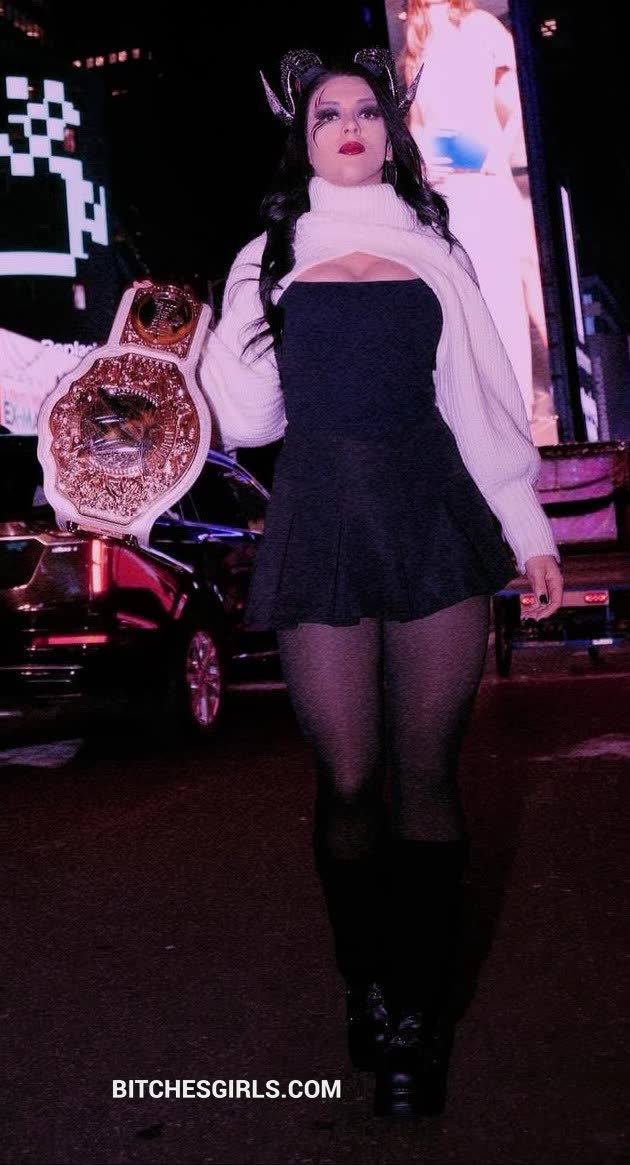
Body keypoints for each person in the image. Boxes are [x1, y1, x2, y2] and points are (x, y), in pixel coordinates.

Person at [199, 47, 563, 1119]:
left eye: (365, 110)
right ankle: (365, 975)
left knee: (426, 777)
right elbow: (250, 420)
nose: (349, 125)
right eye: (327, 115)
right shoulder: (268, 255)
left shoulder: (435, 246)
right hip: (320, 518)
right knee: (350, 780)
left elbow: (481, 400)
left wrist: (529, 532)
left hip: (432, 516)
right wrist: (225, 331)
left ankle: (418, 1016)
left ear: (391, 133)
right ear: (302, 138)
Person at [401, 0, 556, 439]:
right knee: (463, 305)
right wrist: (422, 166)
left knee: (503, 297)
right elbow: (418, 128)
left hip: (485, 185)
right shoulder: (416, 46)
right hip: (446, 195)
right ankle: (480, 424)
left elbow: (520, 103)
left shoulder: (481, 27)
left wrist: (487, 154)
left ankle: (517, 416)